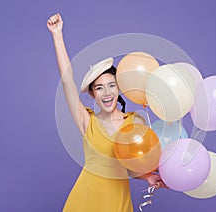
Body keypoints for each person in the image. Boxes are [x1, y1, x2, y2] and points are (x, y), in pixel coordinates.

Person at [47, 13, 166, 211]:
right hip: (85, 200)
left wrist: (148, 176)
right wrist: (57, 35)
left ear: (119, 88)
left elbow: (130, 165)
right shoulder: (87, 121)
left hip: (117, 202)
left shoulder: (135, 121)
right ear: (92, 95)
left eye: (112, 85)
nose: (107, 92)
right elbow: (67, 81)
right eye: (99, 88)